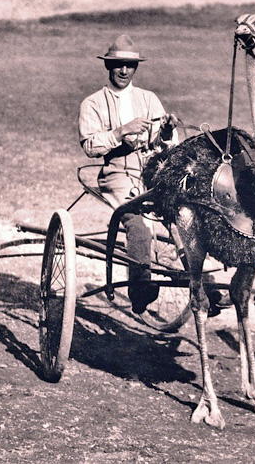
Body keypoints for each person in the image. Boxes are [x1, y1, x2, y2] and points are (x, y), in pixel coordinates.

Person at [78, 34, 179, 314]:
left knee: (183, 217)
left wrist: (168, 130)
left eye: (129, 66)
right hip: (117, 175)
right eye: (118, 65)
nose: (124, 71)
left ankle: (204, 287)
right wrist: (121, 132)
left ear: (136, 68)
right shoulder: (93, 103)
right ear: (108, 66)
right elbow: (89, 145)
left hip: (150, 172)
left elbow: (165, 144)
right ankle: (140, 289)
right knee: (138, 225)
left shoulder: (148, 99)